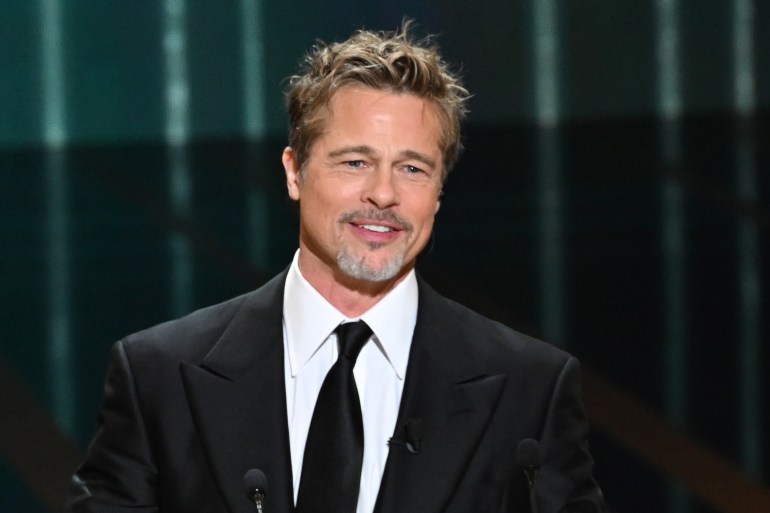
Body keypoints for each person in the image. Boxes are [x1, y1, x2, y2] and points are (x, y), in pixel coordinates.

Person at [66, 22, 606, 513]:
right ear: (295, 171)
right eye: (355, 162)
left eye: (413, 168)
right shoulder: (157, 376)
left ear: (439, 193)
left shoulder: (531, 388)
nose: (384, 194)